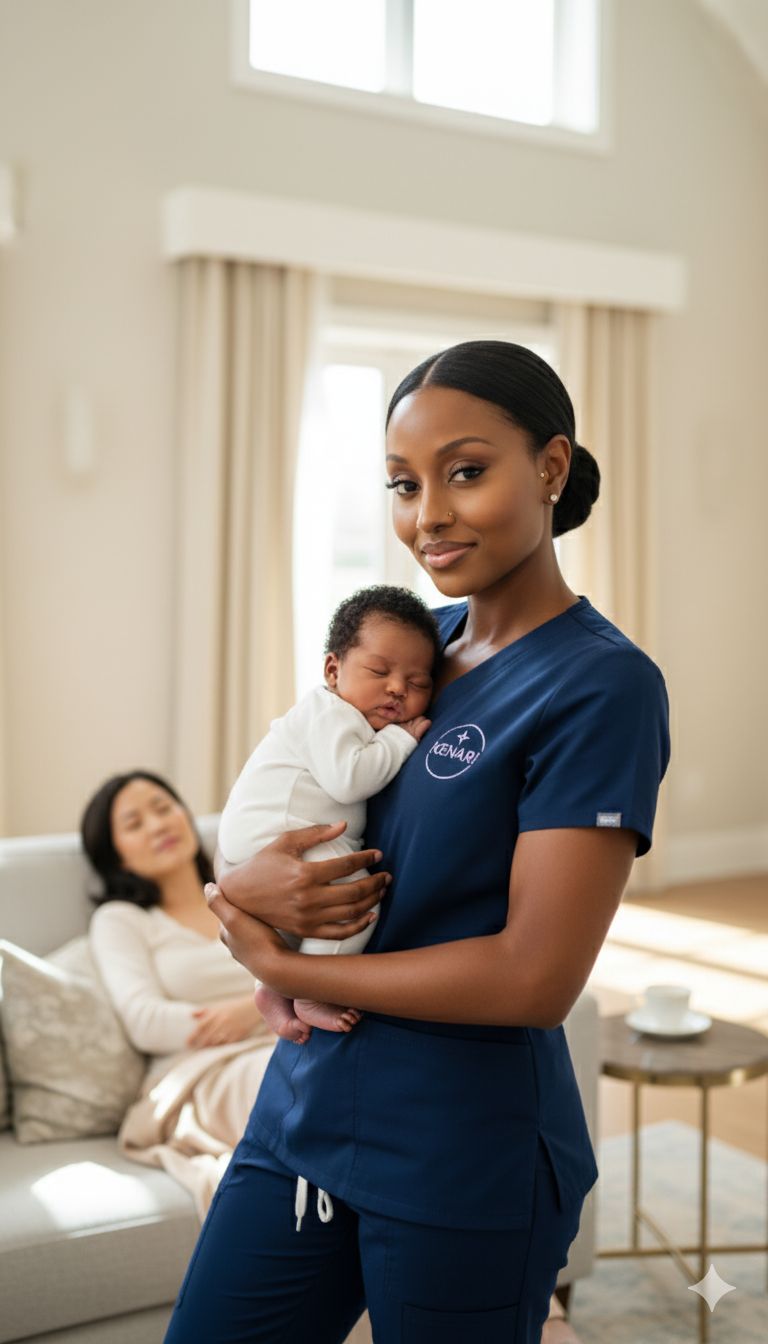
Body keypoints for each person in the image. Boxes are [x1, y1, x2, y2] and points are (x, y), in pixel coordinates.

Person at [164, 340, 671, 1344]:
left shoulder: (601, 686)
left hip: (461, 1152)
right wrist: (243, 894)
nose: (427, 513)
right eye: (403, 484)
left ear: (552, 468)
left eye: (465, 472)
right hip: (303, 1110)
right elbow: (289, 796)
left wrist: (277, 963)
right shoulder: (409, 647)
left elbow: (534, 978)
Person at [218, 585, 438, 1045]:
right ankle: (313, 988)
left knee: (299, 921)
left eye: (418, 683)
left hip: (268, 839)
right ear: (333, 670)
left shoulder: (339, 715)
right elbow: (349, 779)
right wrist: (400, 738)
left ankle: (270, 988)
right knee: (354, 901)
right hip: (281, 832)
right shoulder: (330, 712)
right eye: (379, 671)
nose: (398, 688)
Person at [83, 770, 276, 1216]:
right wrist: (266, 1004)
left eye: (163, 807)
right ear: (115, 855)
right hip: (199, 1073)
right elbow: (145, 1021)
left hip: (287, 1036)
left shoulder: (247, 894)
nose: (157, 825)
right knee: (293, 1076)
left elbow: (308, 967)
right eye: (134, 823)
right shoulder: (122, 920)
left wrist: (252, 1011)